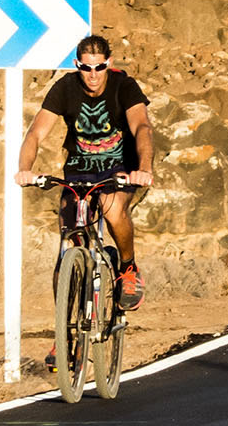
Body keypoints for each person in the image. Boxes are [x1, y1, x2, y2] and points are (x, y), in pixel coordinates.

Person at [13, 34, 155, 324]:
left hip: (120, 166)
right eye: (86, 68)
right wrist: (24, 169)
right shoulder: (65, 88)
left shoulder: (123, 86)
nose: (92, 75)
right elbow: (36, 133)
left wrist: (144, 168)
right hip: (79, 169)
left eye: (99, 68)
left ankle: (127, 269)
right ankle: (64, 331)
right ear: (77, 64)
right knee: (68, 242)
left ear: (108, 64)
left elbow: (142, 126)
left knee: (112, 208)